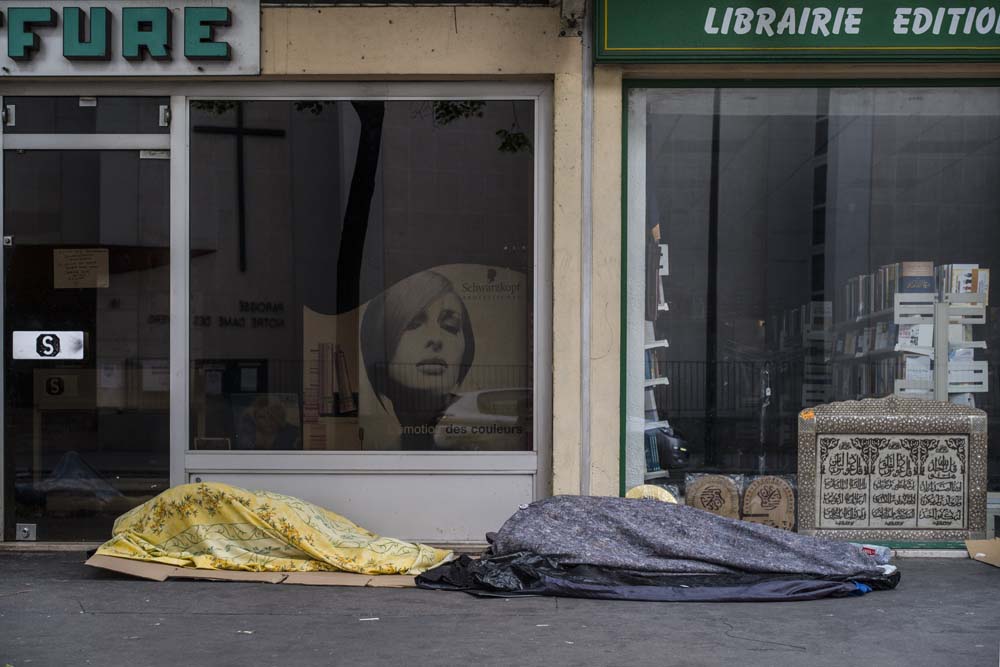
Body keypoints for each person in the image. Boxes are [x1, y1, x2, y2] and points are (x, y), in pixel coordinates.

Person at [360, 270, 476, 449]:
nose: (436, 338)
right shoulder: (385, 451)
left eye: (450, 326)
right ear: (378, 342)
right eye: (413, 324)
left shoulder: (480, 437)